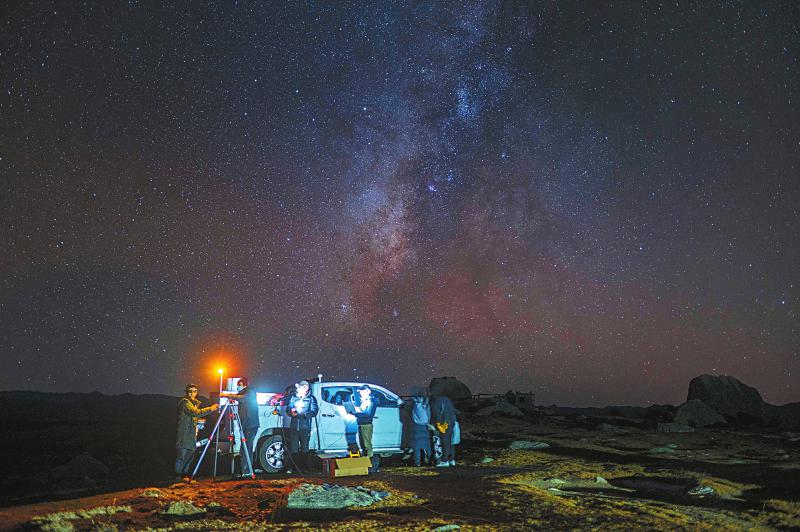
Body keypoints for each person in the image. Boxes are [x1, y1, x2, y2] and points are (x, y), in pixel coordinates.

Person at [175, 383, 219, 483]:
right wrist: (210, 409)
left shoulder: (194, 403)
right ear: (187, 392)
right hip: (184, 434)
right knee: (181, 456)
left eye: (194, 391)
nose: (192, 393)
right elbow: (195, 412)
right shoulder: (185, 403)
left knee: (190, 455)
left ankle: (184, 476)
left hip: (191, 434)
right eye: (190, 391)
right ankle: (177, 478)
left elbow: (195, 416)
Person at [286, 379, 318, 473]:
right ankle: (295, 467)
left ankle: (304, 467)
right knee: (294, 447)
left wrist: (303, 415)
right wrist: (291, 413)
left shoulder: (311, 399)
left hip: (305, 427)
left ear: (306, 389)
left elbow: (314, 411)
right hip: (294, 426)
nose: (300, 389)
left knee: (304, 447)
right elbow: (288, 409)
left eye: (303, 387)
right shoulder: (293, 398)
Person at [229, 377, 259, 478]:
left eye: (239, 385)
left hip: (250, 425)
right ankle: (247, 470)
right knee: (246, 448)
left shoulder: (250, 392)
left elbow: (241, 398)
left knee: (246, 448)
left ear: (244, 385)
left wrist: (227, 395)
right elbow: (238, 397)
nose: (238, 387)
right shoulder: (243, 394)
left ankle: (246, 470)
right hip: (246, 425)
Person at [353, 384, 379, 472]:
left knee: (367, 445)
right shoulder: (366, 401)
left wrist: (356, 413)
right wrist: (357, 411)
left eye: (362, 392)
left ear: (368, 391)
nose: (360, 393)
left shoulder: (372, 401)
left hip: (366, 424)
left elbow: (369, 414)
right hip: (362, 423)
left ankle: (370, 464)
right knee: (363, 444)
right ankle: (366, 463)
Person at [430, 391, 458, 467]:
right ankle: (451, 460)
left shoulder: (436, 401)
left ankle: (445, 460)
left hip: (444, 424)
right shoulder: (447, 400)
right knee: (451, 442)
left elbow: (437, 414)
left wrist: (438, 425)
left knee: (445, 442)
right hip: (451, 422)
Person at [406, 389, 432, 466]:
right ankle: (429, 460)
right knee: (426, 446)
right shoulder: (426, 406)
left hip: (417, 428)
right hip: (425, 427)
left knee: (416, 447)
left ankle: (417, 462)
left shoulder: (416, 405)